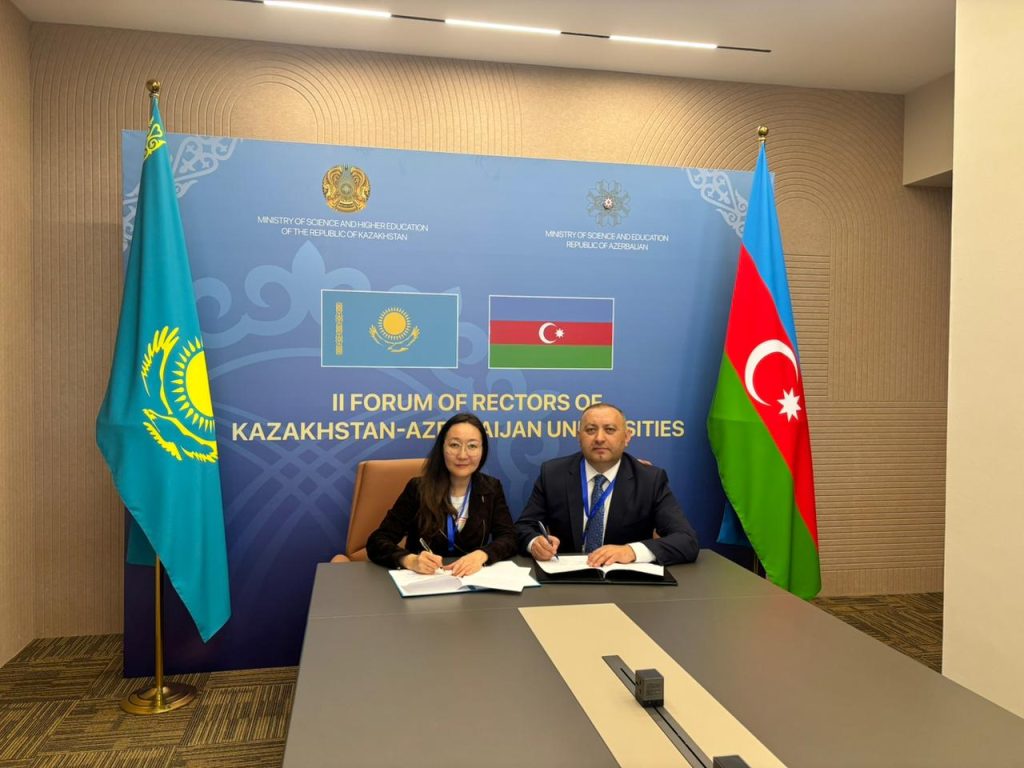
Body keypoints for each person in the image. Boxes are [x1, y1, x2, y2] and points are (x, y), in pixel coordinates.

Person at [515, 402, 698, 566]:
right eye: (590, 430)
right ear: (579, 436)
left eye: (610, 430)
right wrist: (535, 543)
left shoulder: (649, 480)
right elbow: (523, 527)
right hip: (566, 580)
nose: (599, 438)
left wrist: (631, 551)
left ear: (627, 437)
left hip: (626, 582)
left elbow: (686, 540)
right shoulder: (553, 474)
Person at [367, 413, 517, 576]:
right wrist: (410, 560)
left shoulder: (491, 488)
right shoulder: (418, 489)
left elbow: (509, 537)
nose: (462, 455)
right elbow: (377, 541)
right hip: (425, 581)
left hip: (472, 581)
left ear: (483, 451)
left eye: (472, 446)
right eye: (454, 445)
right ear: (442, 448)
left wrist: (482, 555)